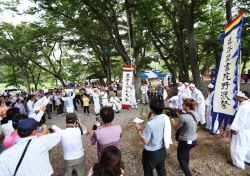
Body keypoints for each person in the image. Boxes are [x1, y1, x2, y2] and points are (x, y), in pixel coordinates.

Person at [135, 98, 167, 176]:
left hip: (151, 153)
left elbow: (145, 141)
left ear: (151, 109)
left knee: (148, 172)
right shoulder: (165, 118)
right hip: (162, 150)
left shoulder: (150, 124)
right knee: (161, 170)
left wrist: (139, 129)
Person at [170, 98, 199, 176]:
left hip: (185, 141)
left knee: (180, 157)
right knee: (186, 151)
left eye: (183, 104)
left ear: (187, 106)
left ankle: (188, 173)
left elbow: (176, 127)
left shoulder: (183, 117)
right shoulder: (195, 114)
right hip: (194, 140)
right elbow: (189, 122)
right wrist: (178, 116)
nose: (182, 105)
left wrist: (172, 120)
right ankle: (185, 165)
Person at [230, 90, 250, 170]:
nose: (236, 97)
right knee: (246, 146)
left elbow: (241, 120)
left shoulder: (244, 107)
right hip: (247, 130)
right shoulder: (247, 104)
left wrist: (236, 128)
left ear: (242, 97)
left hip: (242, 130)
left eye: (237, 96)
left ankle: (238, 163)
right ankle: (247, 159)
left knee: (238, 146)